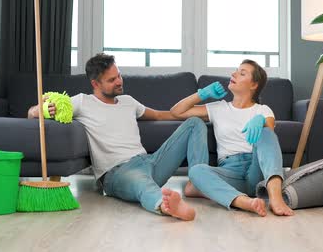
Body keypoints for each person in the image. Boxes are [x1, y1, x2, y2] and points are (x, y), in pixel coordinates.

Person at [27, 53, 207, 221]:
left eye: (119, 75)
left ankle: (198, 183)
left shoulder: (129, 101)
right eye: (112, 80)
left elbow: (160, 115)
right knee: (143, 185)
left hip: (150, 162)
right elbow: (31, 113)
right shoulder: (82, 102)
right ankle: (165, 205)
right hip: (118, 172)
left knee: (194, 123)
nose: (119, 81)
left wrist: (204, 112)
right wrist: (39, 110)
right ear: (95, 84)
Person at [170, 60, 294, 217]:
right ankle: (243, 202)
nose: (234, 74)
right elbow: (176, 112)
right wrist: (202, 94)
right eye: (236, 71)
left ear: (254, 85)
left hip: (256, 168)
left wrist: (261, 121)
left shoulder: (262, 110)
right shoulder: (219, 108)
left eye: (242, 73)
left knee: (266, 133)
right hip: (229, 171)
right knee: (196, 171)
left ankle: (275, 198)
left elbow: (269, 136)